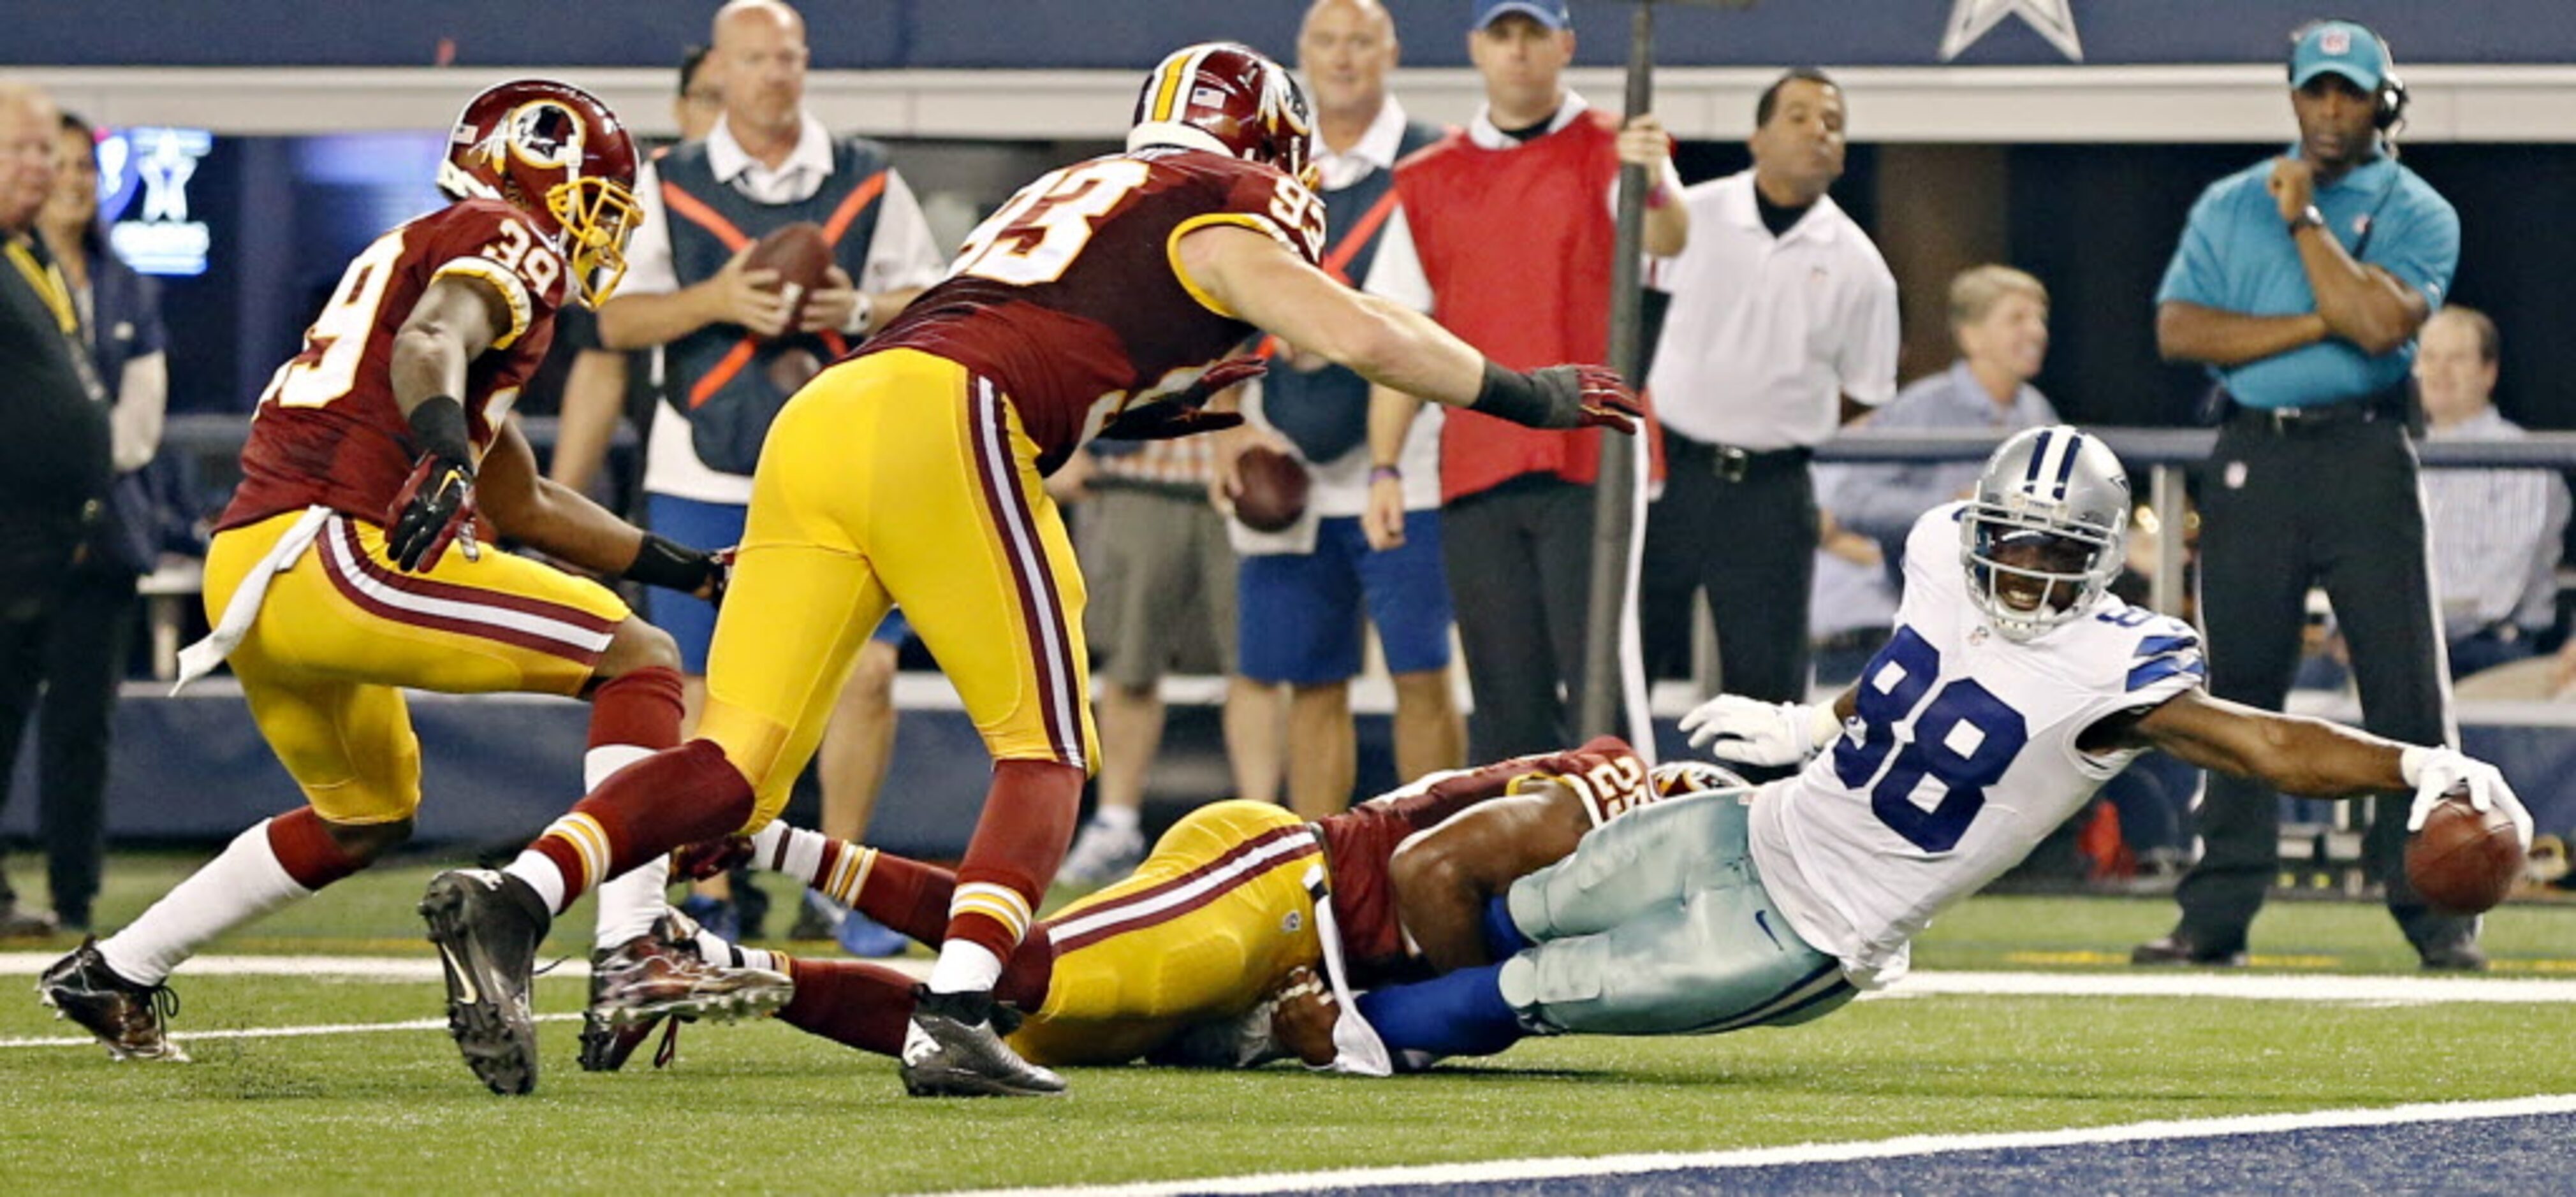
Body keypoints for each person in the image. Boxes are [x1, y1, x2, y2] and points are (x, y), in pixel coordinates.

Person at [414, 41, 1641, 1101]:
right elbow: (1363, 333)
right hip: (950, 418)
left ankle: (519, 892)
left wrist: (1123, 401)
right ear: (1267, 146)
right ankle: (958, 1015)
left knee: (734, 766)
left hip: (840, 416)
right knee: (1049, 745)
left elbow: (1027, 325)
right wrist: (1522, 390)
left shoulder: (1076, 189)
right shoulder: (1214, 200)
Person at [1288, 427, 2530, 1071]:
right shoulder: (1938, 548)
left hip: (1810, 928)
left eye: (2056, 553)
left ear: (2102, 558)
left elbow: (2264, 746)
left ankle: (1339, 1041)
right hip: (1755, 822)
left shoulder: (2118, 667)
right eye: (2014, 540)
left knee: (1527, 991)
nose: (2025, 570)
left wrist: (2409, 763)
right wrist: (1794, 727)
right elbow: (1900, 687)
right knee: (1520, 914)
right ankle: (1341, 997)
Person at [34, 80, 784, 1076]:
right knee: (636, 660)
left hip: (252, 564)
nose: (598, 234)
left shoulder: (430, 248)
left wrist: (687, 569)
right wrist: (441, 448)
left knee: (365, 815)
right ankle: (633, 943)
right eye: (594, 205)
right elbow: (433, 341)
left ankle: (118, 968)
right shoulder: (499, 235)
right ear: (535, 173)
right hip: (336, 549)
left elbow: (528, 508)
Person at [605, 738, 1702, 1073]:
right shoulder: (1595, 801)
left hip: (1288, 951)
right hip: (1278, 883)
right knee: (1037, 969)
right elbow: (1426, 878)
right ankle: (779, 838)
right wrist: (1410, 1024)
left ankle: (717, 967)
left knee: (1007, 1028)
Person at [581, 0, 946, 959]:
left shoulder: (866, 176)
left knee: (865, 675)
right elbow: (615, 321)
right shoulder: (667, 183)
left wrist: (860, 305)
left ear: (805, 65)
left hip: (843, 464)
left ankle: (846, 878)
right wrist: (720, 296)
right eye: (755, 59)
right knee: (702, 688)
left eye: (789, 57)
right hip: (704, 460)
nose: (775, 75)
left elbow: (944, 297)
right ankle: (704, 882)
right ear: (723, 71)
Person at [2142, 19, 2478, 970]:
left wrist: (2303, 222)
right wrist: (2309, 325)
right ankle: (2215, 917)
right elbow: (2178, 329)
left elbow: (2374, 326)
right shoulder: (2224, 202)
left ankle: (2436, 913)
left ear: (2384, 101)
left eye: (2350, 91)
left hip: (2369, 454)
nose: (2331, 109)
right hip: (2254, 455)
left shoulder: (2419, 210)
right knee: (2236, 692)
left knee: (2404, 684)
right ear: (2294, 96)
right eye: (2316, 91)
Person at [1361, 0, 1684, 762]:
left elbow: (1667, 241)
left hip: (1591, 452)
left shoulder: (1616, 144)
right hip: (1475, 459)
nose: (1517, 51)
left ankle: (1628, 856)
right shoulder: (1426, 177)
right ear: (1475, 46)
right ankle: (1524, 872)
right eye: (1502, 34)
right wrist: (1383, 464)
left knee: (1599, 679)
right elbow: (1398, 338)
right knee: (1504, 690)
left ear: (1564, 44)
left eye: (1532, 34)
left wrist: (1658, 179)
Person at [1217, 0, 1463, 822]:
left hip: (1410, 466)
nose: (1343, 58)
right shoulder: (1263, 166)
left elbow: (1463, 303)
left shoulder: (1435, 162)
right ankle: (1319, 866)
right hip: (1282, 453)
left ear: (1391, 52)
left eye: (1360, 40)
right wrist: (1228, 418)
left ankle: (1431, 851)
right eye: (1326, 41)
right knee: (1308, 678)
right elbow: (1214, 293)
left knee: (1421, 674)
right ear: (1300, 54)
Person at [1640, 66, 1897, 704]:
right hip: (1665, 475)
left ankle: (1755, 809)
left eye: (1832, 123)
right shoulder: (1686, 217)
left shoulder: (1860, 267)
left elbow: (1866, 388)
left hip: (1771, 494)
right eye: (1800, 116)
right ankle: (1604, 803)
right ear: (1755, 137)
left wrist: (1778, 420)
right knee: (1621, 668)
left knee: (1766, 698)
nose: (1818, 131)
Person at [0, 103, 161, 937]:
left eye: (56, 156)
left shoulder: (39, 260)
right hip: (18, 533)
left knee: (73, 725)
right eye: (27, 152)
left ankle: (68, 893)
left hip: (86, 533)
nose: (47, 170)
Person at [1052, 434, 1271, 885]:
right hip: (1135, 475)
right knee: (1130, 666)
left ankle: (1267, 831)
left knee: (1258, 667)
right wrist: (1061, 448)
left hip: (1246, 480)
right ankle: (1116, 825)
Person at [1824, 265, 2056, 560]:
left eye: (2040, 319)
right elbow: (1853, 500)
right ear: (1971, 336)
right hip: (1933, 590)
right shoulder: (1921, 406)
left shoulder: (2037, 409)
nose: (2037, 331)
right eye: (2017, 319)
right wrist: (1954, 509)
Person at [2411, 306, 2567, 679]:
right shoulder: (2395, 458)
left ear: (2488, 371)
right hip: (2403, 645)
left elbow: (2496, 596)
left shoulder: (2524, 460)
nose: (2439, 372)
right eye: (2429, 357)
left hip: (2486, 651)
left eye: (2457, 358)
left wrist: (2394, 626)